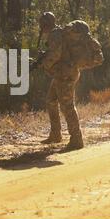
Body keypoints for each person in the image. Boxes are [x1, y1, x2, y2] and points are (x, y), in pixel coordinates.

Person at [37, 12, 84, 151]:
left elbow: (55, 55)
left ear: (46, 24)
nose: (41, 28)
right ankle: (56, 134)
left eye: (42, 25)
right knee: (51, 101)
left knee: (67, 105)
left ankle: (76, 139)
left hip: (66, 74)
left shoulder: (55, 34)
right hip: (61, 74)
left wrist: (44, 63)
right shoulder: (57, 33)